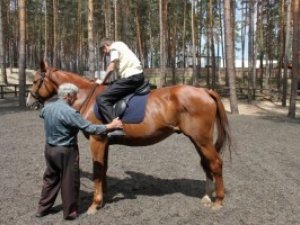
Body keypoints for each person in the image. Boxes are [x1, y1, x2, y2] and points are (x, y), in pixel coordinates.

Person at [35, 83, 123, 220]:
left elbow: (42, 115)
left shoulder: (47, 108)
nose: (76, 99)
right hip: (66, 151)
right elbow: (90, 128)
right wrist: (110, 126)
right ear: (69, 96)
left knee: (50, 179)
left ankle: (42, 209)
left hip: (49, 149)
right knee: (70, 181)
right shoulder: (71, 112)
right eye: (75, 96)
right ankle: (70, 213)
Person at [96, 38, 145, 136]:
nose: (106, 54)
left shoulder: (114, 48)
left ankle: (116, 127)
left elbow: (111, 67)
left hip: (131, 77)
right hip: (138, 76)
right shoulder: (121, 44)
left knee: (102, 98)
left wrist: (102, 81)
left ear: (106, 46)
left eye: (104, 51)